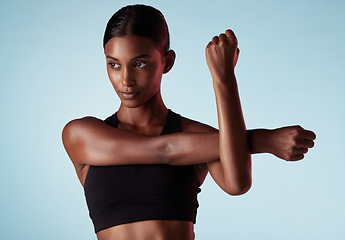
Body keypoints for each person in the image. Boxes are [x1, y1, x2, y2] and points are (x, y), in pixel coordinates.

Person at [62, 4, 316, 240]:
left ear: (168, 62)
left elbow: (237, 183)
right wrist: (265, 139)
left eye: (140, 64)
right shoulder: (82, 134)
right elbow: (164, 150)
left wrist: (223, 76)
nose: (126, 80)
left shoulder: (199, 136)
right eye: (114, 64)